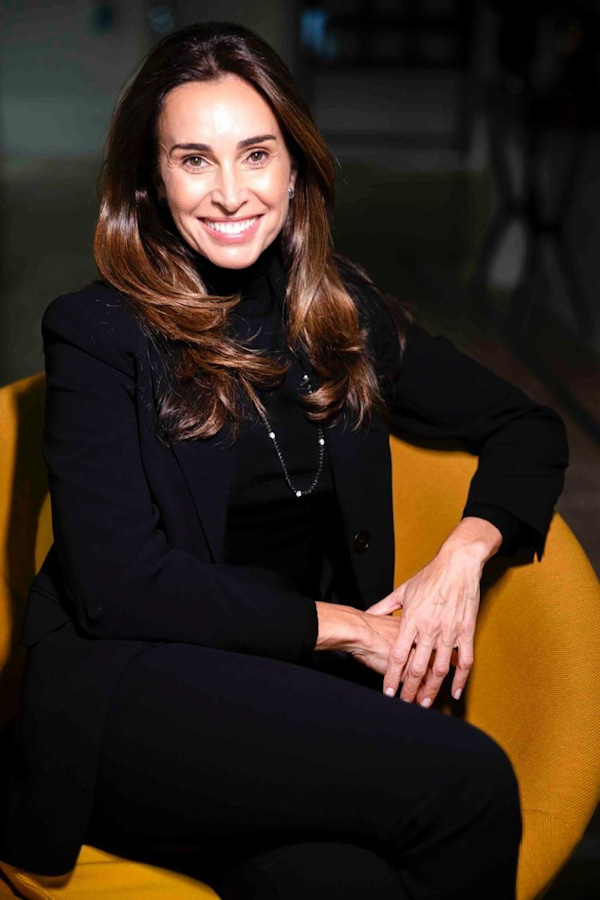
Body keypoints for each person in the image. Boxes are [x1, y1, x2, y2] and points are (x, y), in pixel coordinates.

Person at [0, 21, 569, 900]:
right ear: (152, 182)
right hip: (134, 697)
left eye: (256, 155)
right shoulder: (99, 332)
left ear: (295, 167)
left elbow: (526, 427)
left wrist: (465, 554)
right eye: (194, 160)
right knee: (472, 783)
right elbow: (120, 586)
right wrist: (350, 627)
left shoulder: (343, 318)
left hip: (280, 703)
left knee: (338, 883)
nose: (231, 193)